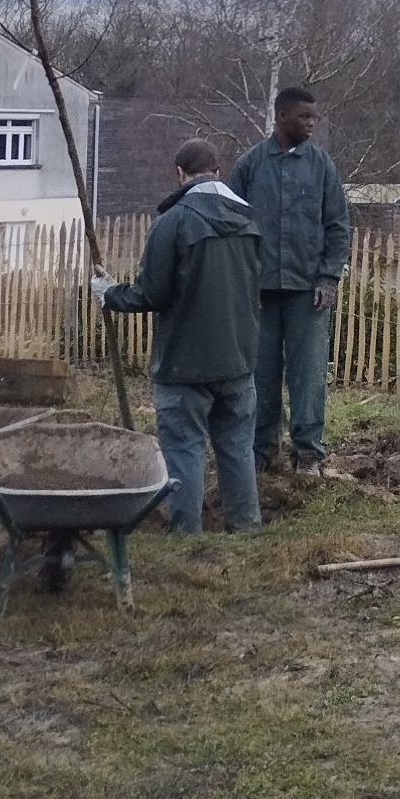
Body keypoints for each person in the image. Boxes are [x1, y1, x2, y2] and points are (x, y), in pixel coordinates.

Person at [96, 139, 263, 533]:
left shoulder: (171, 223)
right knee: (237, 447)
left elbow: (151, 293)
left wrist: (108, 293)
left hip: (184, 363)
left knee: (184, 448)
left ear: (179, 174)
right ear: (218, 172)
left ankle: (186, 533)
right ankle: (246, 525)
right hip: (239, 359)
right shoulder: (251, 221)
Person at [228, 84, 350, 473]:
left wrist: (329, 277)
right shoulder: (249, 166)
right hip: (259, 292)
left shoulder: (321, 166)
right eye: (304, 117)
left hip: (308, 292)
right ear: (282, 117)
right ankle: (262, 454)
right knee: (259, 375)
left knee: (308, 375)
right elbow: (231, 224)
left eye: (315, 117)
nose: (312, 124)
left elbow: (337, 227)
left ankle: (308, 453)